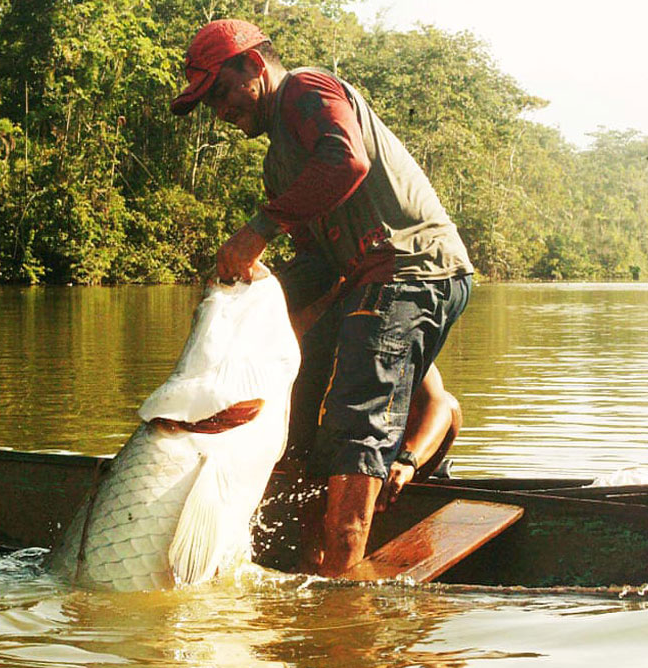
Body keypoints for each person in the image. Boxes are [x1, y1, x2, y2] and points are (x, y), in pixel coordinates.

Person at [170, 19, 475, 576]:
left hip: (411, 269)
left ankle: (341, 592)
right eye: (208, 101)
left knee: (356, 415)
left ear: (254, 67)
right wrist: (253, 302)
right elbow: (316, 262)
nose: (219, 109)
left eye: (220, 91)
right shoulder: (277, 164)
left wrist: (259, 229)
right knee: (302, 385)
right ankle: (299, 553)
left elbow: (346, 159)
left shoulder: (306, 90)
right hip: (366, 279)